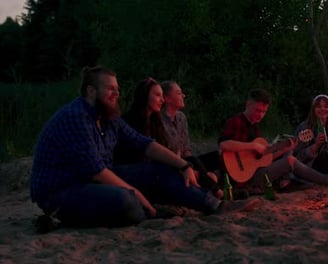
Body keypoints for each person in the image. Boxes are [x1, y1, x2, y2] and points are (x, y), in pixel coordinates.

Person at [30, 66, 256, 229]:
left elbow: (144, 144)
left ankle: (215, 205)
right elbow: (96, 170)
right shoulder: (75, 116)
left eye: (117, 89)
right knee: (127, 201)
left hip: (94, 180)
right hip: (61, 190)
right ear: (91, 91)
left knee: (161, 170)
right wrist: (134, 191)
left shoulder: (109, 117)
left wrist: (184, 164)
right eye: (109, 89)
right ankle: (61, 218)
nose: (116, 94)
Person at [114, 78, 222, 199]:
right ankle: (213, 197)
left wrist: (187, 167)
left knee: (211, 159)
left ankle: (213, 191)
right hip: (137, 170)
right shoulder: (129, 121)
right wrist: (182, 165)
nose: (162, 100)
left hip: (165, 164)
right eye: (158, 95)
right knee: (174, 171)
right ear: (145, 96)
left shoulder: (156, 121)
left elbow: (177, 149)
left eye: (162, 95)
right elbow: (146, 152)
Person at [218, 88, 328, 196]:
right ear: (248, 104)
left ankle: (288, 182)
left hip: (253, 173)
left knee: (288, 154)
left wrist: (285, 149)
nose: (260, 115)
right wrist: (253, 145)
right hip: (241, 179)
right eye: (257, 110)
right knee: (290, 160)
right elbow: (224, 145)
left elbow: (264, 159)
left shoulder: (254, 128)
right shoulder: (236, 122)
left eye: (263, 112)